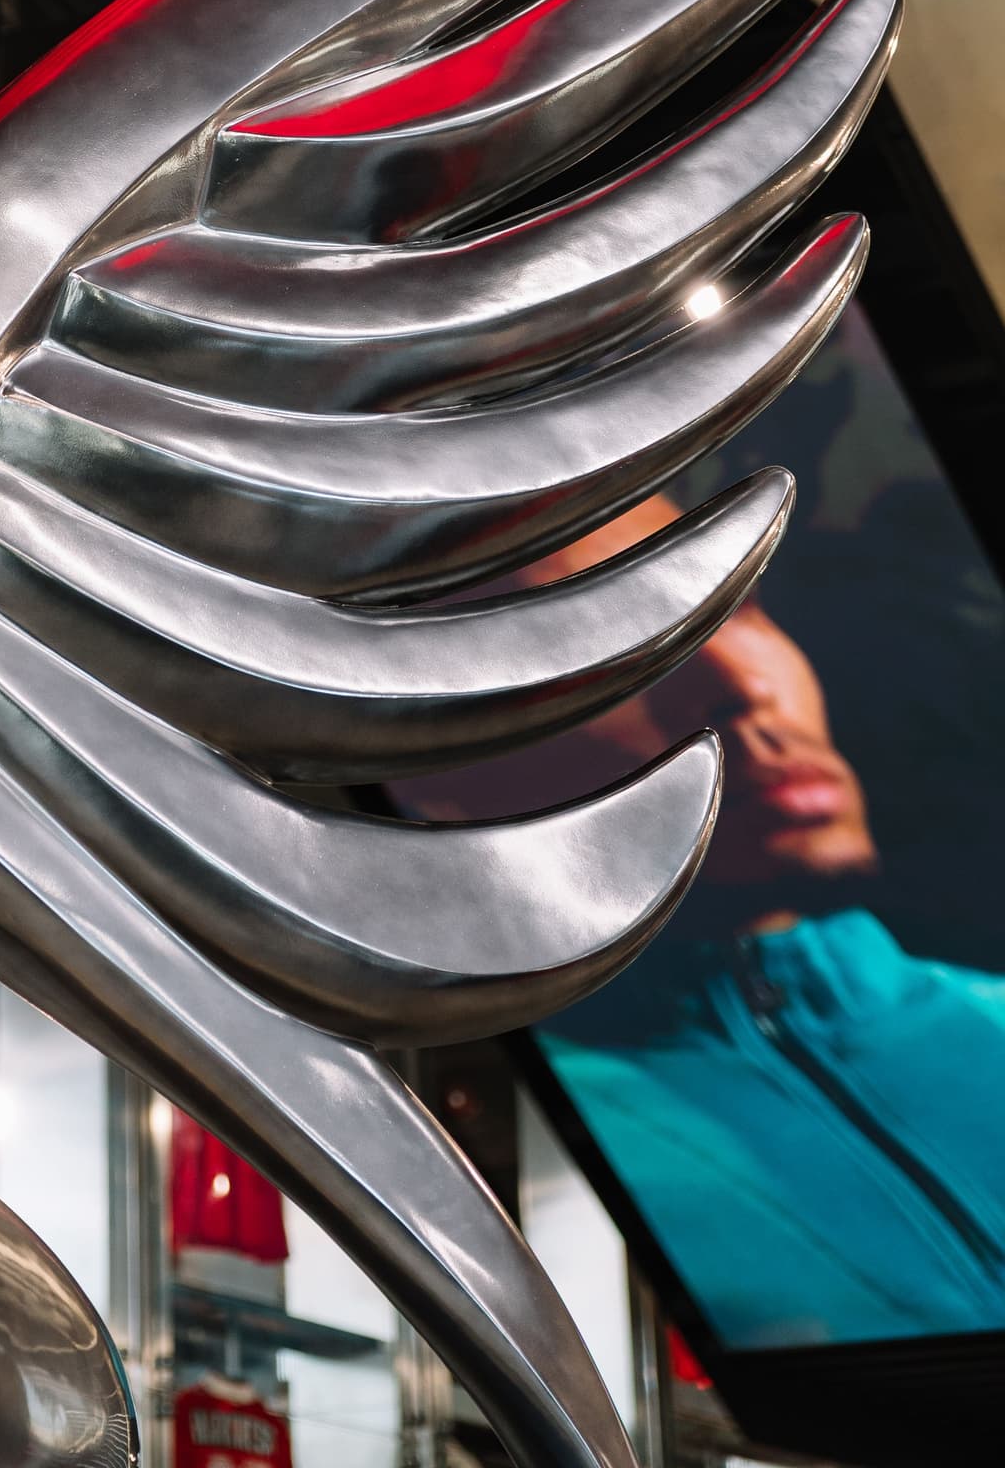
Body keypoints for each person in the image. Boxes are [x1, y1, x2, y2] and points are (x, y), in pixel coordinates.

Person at [420, 492, 1005, 1348]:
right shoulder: (500, 1160)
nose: (746, 685)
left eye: (743, 604)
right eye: (614, 640)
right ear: (436, 772)